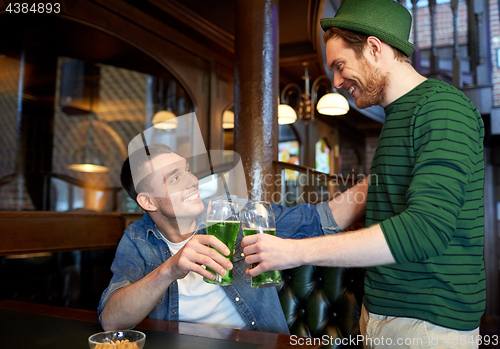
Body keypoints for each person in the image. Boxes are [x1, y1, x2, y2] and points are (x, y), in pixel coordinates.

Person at [242, 0, 485, 347]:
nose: (338, 81)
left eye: (340, 66)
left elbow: (426, 230)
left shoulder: (442, 107)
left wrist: (294, 251)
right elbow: (378, 195)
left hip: (428, 323)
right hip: (382, 314)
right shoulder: (399, 116)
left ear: (373, 48)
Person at [98, 142, 349, 334]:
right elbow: (111, 320)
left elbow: (324, 219)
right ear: (147, 201)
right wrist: (169, 270)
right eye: (174, 178)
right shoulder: (138, 239)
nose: (193, 181)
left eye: (187, 170)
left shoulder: (236, 215)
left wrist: (379, 179)